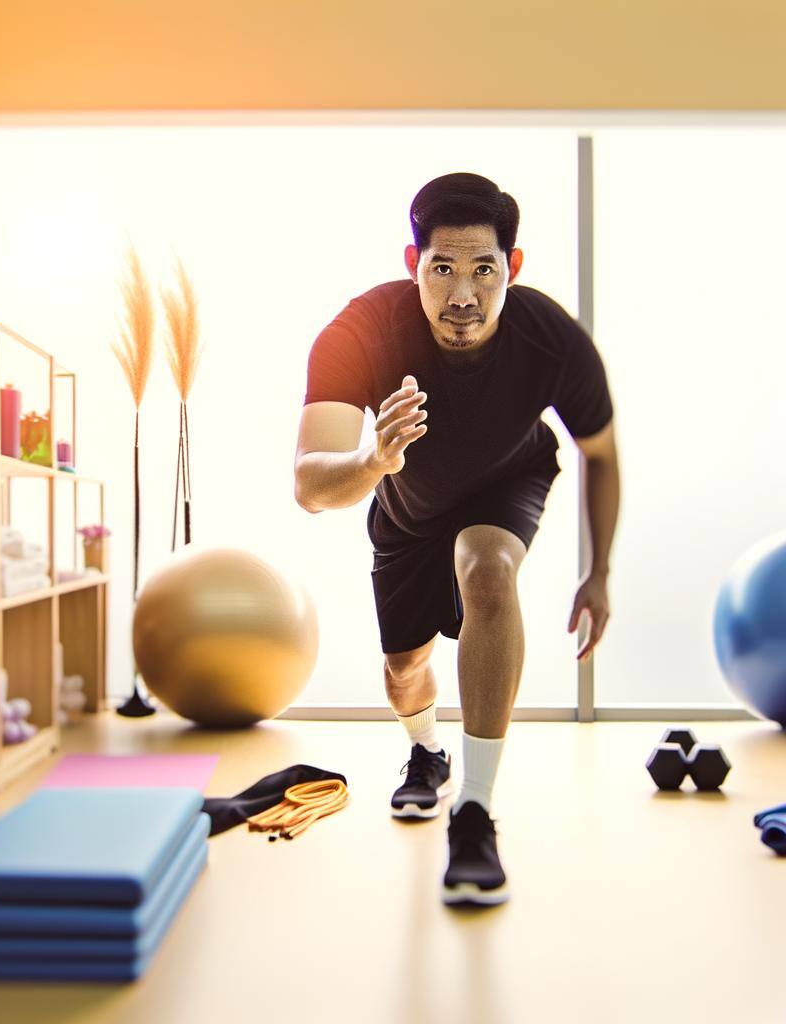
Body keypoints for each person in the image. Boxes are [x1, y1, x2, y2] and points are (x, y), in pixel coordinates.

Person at [294, 172, 620, 907]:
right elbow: (311, 486)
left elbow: (600, 452)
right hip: (406, 501)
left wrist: (598, 572)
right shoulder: (363, 329)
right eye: (442, 269)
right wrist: (373, 461)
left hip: (508, 479)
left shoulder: (548, 338)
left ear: (515, 267)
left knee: (488, 573)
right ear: (413, 264)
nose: (463, 295)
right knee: (404, 670)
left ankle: (474, 809)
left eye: (484, 270)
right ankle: (426, 754)